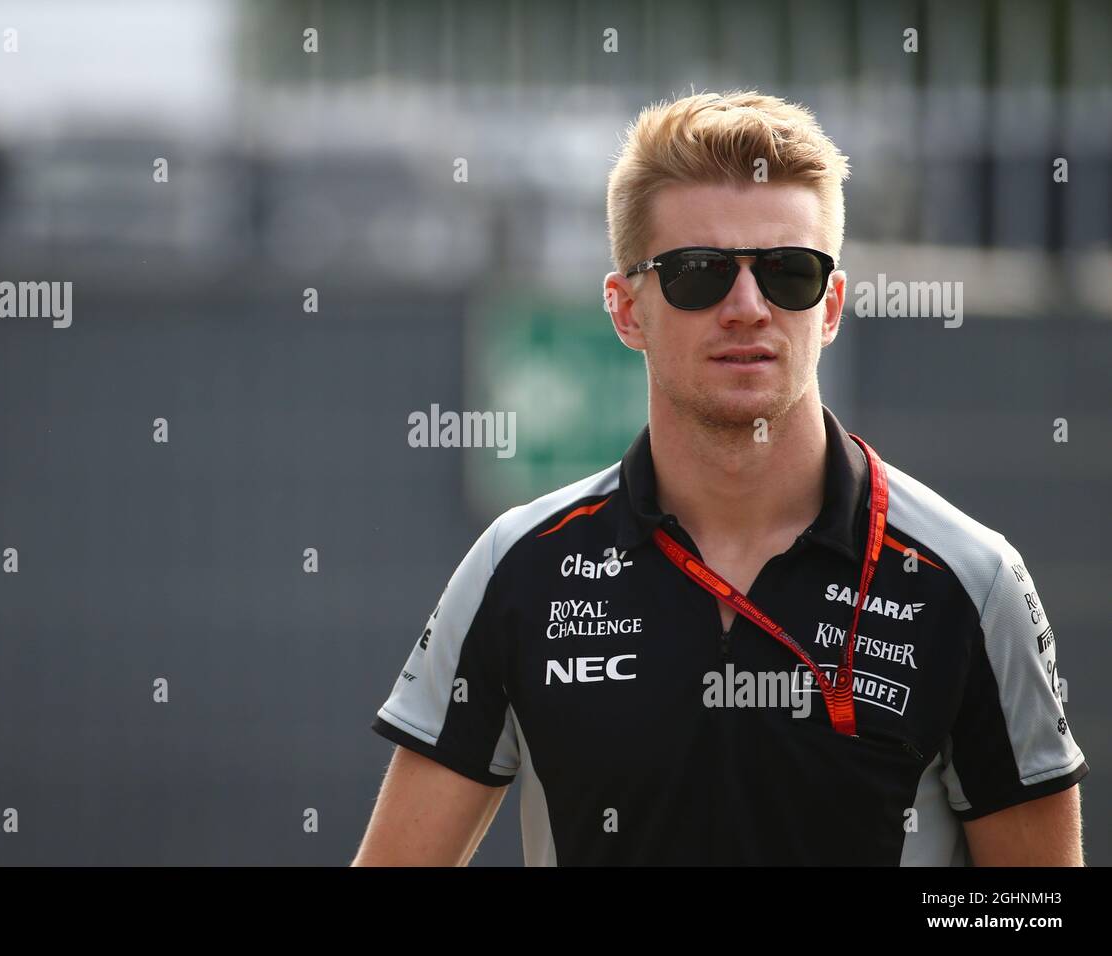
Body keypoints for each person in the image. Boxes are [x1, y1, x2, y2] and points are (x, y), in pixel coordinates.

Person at [353, 91, 1088, 866]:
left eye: (789, 273)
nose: (747, 307)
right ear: (626, 310)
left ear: (831, 306)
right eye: (697, 273)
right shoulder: (517, 568)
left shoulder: (969, 581)